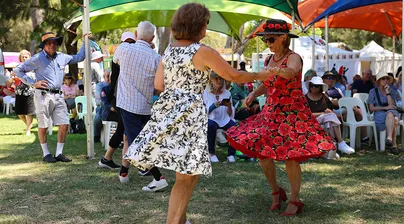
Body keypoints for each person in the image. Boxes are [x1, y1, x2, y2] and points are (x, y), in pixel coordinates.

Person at [123, 3, 269, 223]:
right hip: (189, 116)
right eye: (206, 24)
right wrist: (263, 75)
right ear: (198, 25)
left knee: (190, 174)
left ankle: (181, 220)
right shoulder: (202, 51)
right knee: (186, 177)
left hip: (170, 113)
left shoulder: (169, 51)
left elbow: (159, 84)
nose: (206, 29)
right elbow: (234, 76)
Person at [226, 19, 335, 217]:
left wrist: (277, 70)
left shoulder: (294, 57)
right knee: (263, 155)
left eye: (270, 39)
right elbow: (268, 84)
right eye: (265, 39)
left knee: (291, 159)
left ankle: (295, 199)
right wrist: (253, 94)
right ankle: (276, 191)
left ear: (283, 38)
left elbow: (290, 72)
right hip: (271, 113)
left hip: (293, 115)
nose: (267, 43)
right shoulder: (269, 60)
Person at [14, 32, 85, 163]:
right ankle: (46, 153)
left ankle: (59, 153)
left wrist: (85, 40)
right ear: (44, 46)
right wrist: (32, 83)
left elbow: (80, 57)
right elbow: (18, 70)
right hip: (43, 95)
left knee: (64, 124)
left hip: (58, 95)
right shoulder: (37, 58)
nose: (52, 45)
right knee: (44, 125)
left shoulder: (62, 57)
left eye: (54, 42)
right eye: (49, 43)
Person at [113, 21, 168, 190]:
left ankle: (159, 178)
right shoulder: (157, 58)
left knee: (136, 142)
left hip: (127, 104)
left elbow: (116, 61)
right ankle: (123, 171)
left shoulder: (124, 49)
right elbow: (160, 85)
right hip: (145, 106)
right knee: (130, 138)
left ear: (136, 34)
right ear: (152, 37)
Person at [305, 76, 354, 157]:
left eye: (316, 86)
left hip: (325, 119)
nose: (314, 88)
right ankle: (340, 142)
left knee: (329, 122)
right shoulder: (305, 98)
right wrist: (323, 113)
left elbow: (331, 110)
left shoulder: (324, 97)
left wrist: (329, 112)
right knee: (329, 117)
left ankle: (331, 148)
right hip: (311, 120)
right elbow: (307, 115)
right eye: (312, 85)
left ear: (320, 87)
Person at [203, 71, 237, 163]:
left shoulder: (227, 93)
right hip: (211, 118)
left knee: (234, 126)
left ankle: (231, 154)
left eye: (221, 78)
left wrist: (229, 106)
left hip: (224, 119)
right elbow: (203, 112)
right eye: (216, 79)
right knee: (211, 125)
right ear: (211, 80)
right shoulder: (206, 93)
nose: (219, 81)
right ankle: (212, 153)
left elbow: (230, 115)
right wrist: (213, 106)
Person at [368, 72, 401, 155]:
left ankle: (389, 138)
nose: (385, 80)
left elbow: (392, 105)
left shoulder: (392, 91)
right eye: (383, 79)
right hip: (379, 112)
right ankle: (394, 145)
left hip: (392, 112)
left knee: (391, 114)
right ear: (378, 81)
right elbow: (371, 108)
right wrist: (385, 108)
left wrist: (388, 93)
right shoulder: (373, 91)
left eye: (387, 79)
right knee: (395, 119)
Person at [98, 71, 125, 169]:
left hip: (120, 113)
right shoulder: (106, 89)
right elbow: (109, 106)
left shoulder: (121, 87)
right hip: (110, 114)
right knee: (123, 130)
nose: (108, 79)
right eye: (107, 77)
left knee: (123, 131)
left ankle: (107, 158)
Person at [13, 50, 35, 136]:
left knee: (29, 112)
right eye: (23, 57)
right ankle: (29, 125)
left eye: (26, 57)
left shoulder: (33, 67)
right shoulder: (17, 67)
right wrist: (14, 79)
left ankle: (28, 130)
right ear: (20, 58)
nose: (25, 58)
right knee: (19, 113)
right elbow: (13, 77)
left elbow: (34, 78)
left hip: (29, 91)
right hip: (19, 91)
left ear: (29, 58)